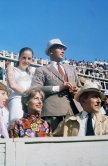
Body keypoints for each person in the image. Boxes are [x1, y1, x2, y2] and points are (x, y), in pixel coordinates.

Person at [31, 38, 82, 131]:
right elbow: (35, 89)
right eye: (59, 48)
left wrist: (77, 90)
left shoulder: (72, 69)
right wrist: (59, 88)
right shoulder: (41, 70)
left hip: (75, 111)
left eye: (63, 48)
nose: (63, 50)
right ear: (51, 51)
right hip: (53, 113)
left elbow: (80, 87)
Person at [6, 47, 33, 125]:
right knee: (16, 124)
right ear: (19, 58)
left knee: (27, 127)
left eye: (29, 58)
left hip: (28, 103)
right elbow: (12, 85)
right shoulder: (11, 69)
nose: (26, 60)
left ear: (31, 60)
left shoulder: (31, 74)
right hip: (16, 101)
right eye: (24, 58)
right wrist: (28, 95)